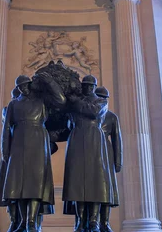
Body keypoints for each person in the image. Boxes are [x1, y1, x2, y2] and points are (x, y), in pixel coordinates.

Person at [2, 73, 65, 232]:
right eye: (20, 86)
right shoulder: (13, 104)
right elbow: (6, 129)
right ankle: (23, 222)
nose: (23, 88)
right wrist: (5, 151)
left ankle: (31, 222)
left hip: (38, 141)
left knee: (35, 183)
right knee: (19, 185)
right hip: (18, 142)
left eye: (25, 85)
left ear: (30, 85)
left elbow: (60, 100)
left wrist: (49, 80)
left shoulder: (42, 100)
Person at [63, 75, 112, 232]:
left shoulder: (101, 101)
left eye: (90, 86)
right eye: (85, 85)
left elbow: (93, 112)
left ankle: (94, 221)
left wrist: (75, 101)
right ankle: (80, 221)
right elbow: (68, 121)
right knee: (77, 183)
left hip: (94, 140)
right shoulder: (74, 102)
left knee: (95, 182)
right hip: (76, 138)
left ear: (94, 86)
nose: (87, 88)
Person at [95, 87, 123, 232]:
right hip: (92, 155)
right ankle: (91, 221)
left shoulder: (112, 117)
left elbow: (117, 141)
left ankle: (104, 222)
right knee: (94, 191)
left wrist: (118, 162)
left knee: (107, 192)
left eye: (104, 98)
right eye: (99, 97)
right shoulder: (91, 115)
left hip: (107, 155)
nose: (102, 100)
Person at [0, 88, 22, 232]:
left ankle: (21, 221)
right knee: (10, 192)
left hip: (23, 156)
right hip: (11, 156)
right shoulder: (8, 110)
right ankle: (14, 220)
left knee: (22, 192)